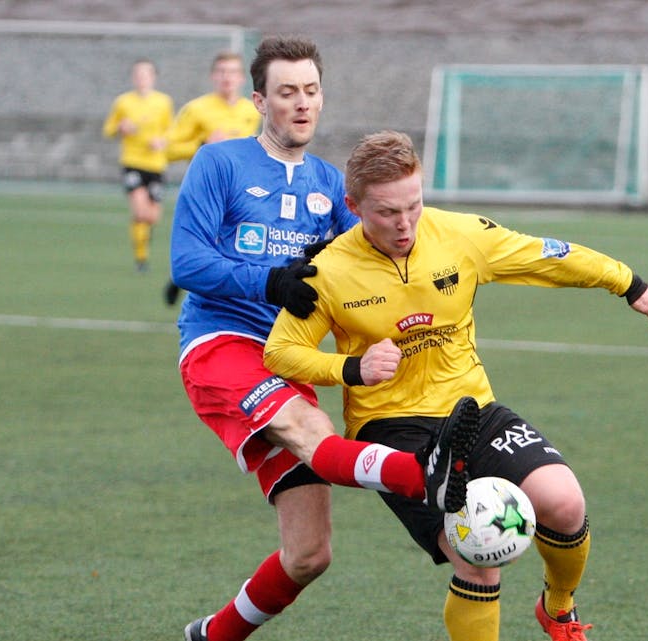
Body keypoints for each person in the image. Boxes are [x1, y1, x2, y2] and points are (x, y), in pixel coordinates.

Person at [263, 130, 648, 641]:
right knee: (477, 554)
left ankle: (558, 608)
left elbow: (546, 255)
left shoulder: (460, 236)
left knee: (565, 504)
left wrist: (627, 283)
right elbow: (279, 352)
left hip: (471, 407)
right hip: (390, 427)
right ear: (354, 205)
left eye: (413, 205)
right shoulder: (327, 271)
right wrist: (351, 368)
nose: (405, 223)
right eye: (388, 212)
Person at [172, 39, 478, 641]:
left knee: (309, 555)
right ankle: (430, 474)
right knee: (315, 435)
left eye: (311, 91)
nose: (302, 103)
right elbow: (186, 261)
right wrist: (270, 280)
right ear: (261, 100)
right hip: (223, 345)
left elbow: (369, 266)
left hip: (289, 362)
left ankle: (213, 636)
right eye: (287, 92)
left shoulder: (331, 186)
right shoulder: (220, 163)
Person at [163, 51, 261, 304]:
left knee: (237, 246)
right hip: (205, 191)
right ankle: (187, 284)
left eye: (232, 72)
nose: (227, 77)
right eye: (222, 72)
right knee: (204, 246)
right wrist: (202, 143)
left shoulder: (251, 110)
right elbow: (169, 149)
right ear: (213, 76)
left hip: (241, 191)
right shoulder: (196, 109)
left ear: (241, 78)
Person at [101, 59, 174, 272]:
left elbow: (171, 129)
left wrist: (162, 140)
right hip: (132, 162)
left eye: (146, 75)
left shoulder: (164, 102)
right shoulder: (123, 102)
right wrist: (120, 127)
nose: (141, 79)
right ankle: (141, 259)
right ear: (133, 78)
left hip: (156, 164)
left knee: (152, 216)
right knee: (141, 211)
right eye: (138, 75)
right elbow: (108, 129)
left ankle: (143, 235)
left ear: (153, 78)